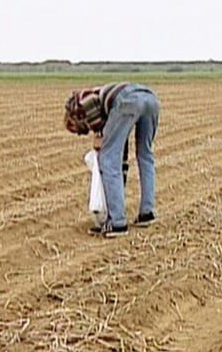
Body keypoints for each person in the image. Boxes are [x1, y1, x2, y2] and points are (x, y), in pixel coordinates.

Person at [64, 82, 160, 237]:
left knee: (107, 159)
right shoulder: (105, 108)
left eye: (73, 128)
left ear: (73, 118)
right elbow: (120, 141)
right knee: (145, 154)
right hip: (150, 98)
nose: (78, 132)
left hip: (128, 100)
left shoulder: (81, 100)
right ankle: (147, 213)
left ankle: (117, 223)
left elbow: (104, 137)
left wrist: (99, 137)